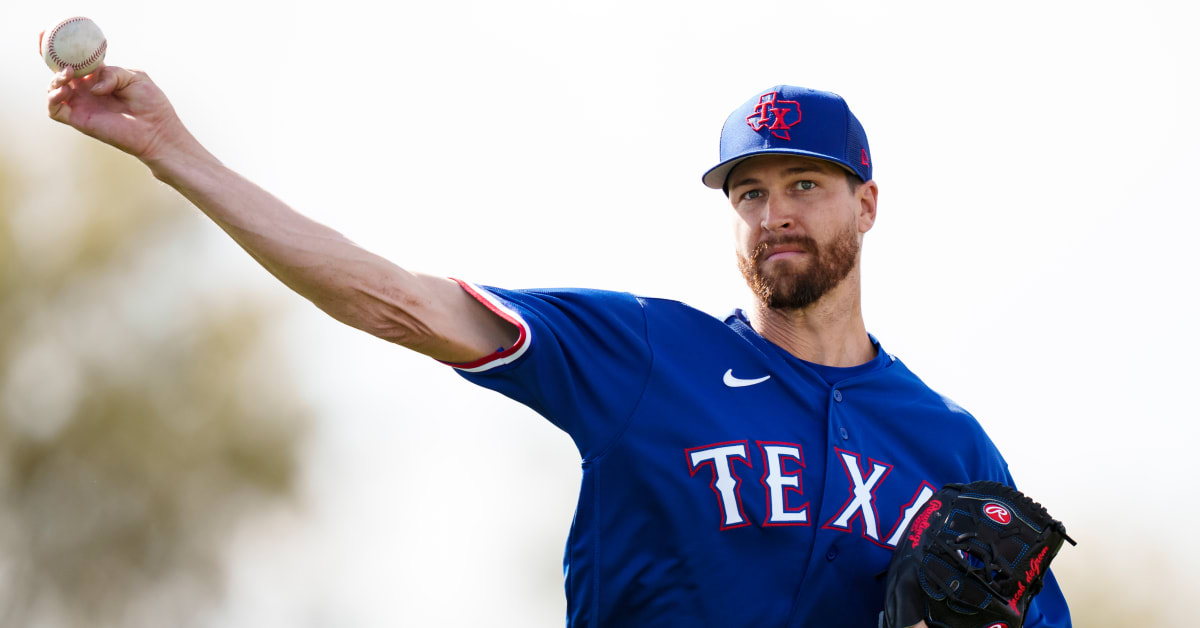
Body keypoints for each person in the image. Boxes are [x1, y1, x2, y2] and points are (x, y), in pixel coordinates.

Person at [47, 68, 1071, 627]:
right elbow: (391, 299)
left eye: (804, 184)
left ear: (868, 204)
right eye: (750, 193)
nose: (773, 214)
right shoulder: (644, 354)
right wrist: (172, 152)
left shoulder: (948, 446)